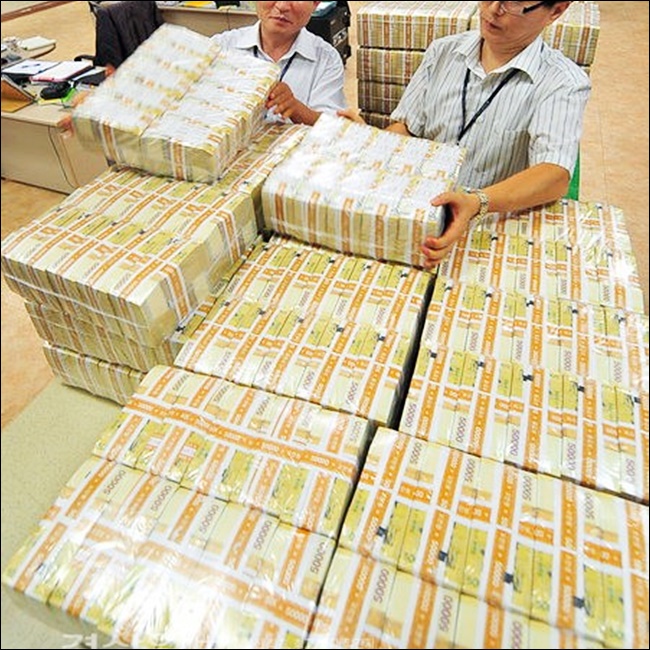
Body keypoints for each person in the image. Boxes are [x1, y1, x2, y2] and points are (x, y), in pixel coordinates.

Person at [342, 0, 591, 269]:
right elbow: (407, 128)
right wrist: (372, 142)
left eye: (513, 3)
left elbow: (554, 175)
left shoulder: (563, 83)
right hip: (423, 212)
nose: (492, 9)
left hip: (490, 227)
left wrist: (477, 202)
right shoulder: (443, 52)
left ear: (556, 10)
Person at [213, 1, 346, 126]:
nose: (282, 6)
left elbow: (332, 127)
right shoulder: (220, 48)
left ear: (316, 3)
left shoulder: (326, 59)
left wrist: (296, 109)